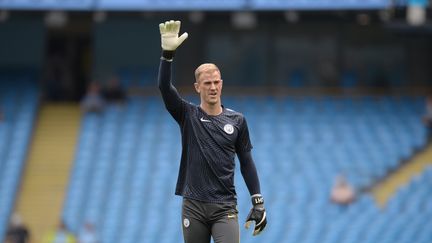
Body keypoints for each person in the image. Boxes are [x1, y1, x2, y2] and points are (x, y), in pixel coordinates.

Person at [157, 20, 267, 243]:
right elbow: (164, 88)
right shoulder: (187, 114)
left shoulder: (237, 121)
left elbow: (246, 161)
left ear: (222, 84)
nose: (213, 87)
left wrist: (258, 200)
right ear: (198, 87)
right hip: (194, 206)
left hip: (224, 206)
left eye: (216, 82)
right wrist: (167, 56)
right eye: (207, 83)